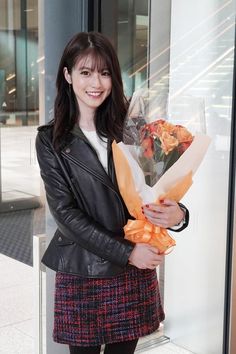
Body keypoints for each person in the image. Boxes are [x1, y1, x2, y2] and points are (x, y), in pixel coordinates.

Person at [36, 31, 189, 354]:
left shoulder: (133, 126)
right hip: (84, 270)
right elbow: (65, 214)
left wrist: (178, 215)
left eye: (105, 73)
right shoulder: (51, 140)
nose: (96, 83)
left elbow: (157, 188)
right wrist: (128, 252)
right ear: (67, 75)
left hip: (131, 272)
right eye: (86, 72)